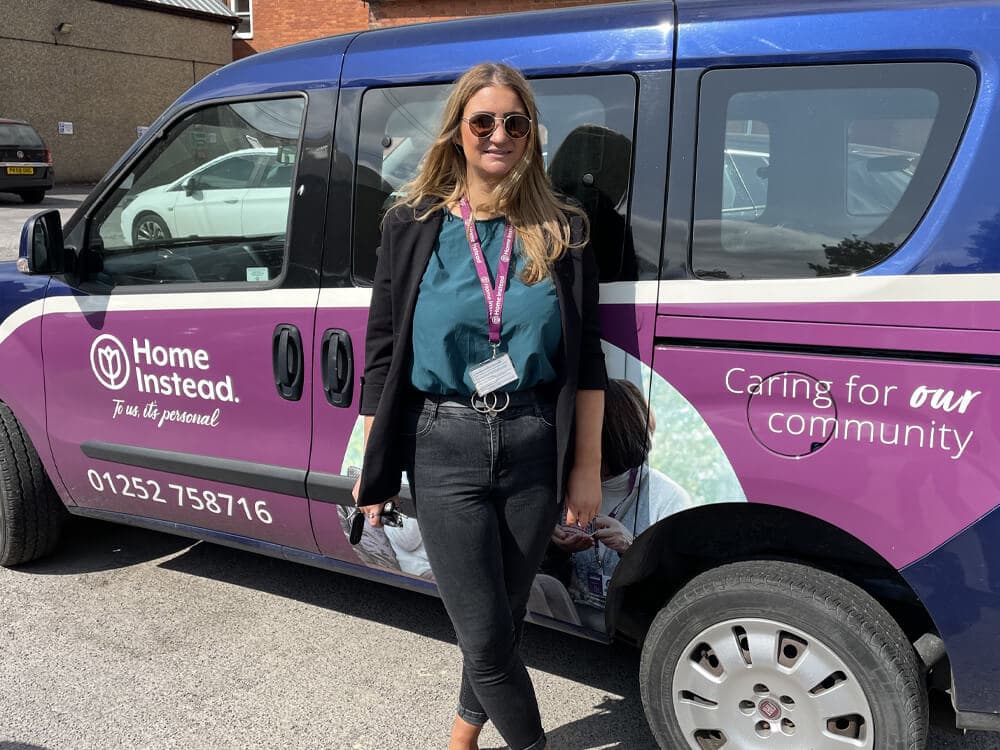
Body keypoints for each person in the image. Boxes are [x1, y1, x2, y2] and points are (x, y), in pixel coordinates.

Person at [352, 62, 607, 750]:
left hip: (532, 441)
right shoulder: (411, 225)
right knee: (487, 635)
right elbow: (384, 353)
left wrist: (585, 468)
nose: (500, 134)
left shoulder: (567, 229)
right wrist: (370, 459)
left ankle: (462, 736)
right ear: (458, 132)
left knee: (506, 614)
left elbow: (586, 362)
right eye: (483, 121)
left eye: (514, 122)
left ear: (531, 136)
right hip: (444, 443)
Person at [551, 379, 691, 627]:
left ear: (617, 440)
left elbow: (685, 587)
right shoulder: (558, 486)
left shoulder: (667, 498)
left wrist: (633, 549)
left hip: (634, 626)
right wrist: (555, 549)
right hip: (567, 622)